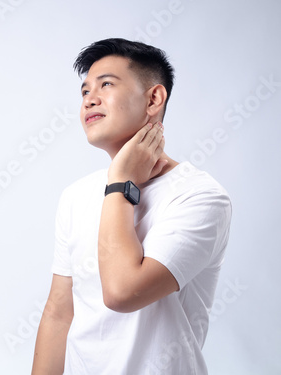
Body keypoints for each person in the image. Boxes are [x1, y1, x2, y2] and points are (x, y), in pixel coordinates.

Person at [31, 38, 232, 375]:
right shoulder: (76, 195)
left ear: (154, 98)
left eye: (106, 84)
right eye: (84, 92)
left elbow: (122, 292)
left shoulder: (201, 196)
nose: (89, 99)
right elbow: (58, 312)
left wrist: (121, 183)